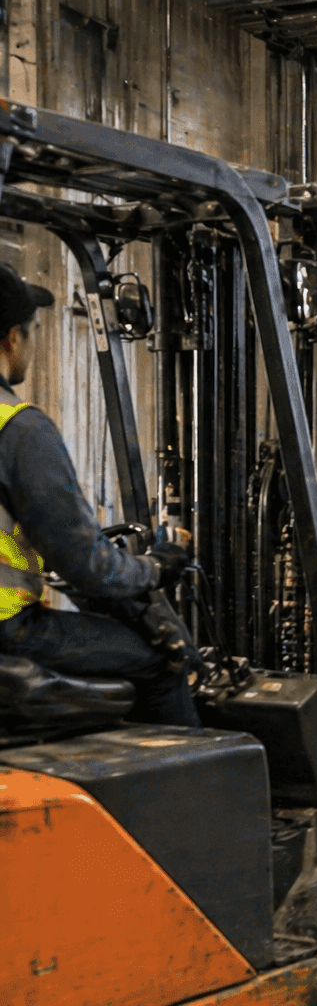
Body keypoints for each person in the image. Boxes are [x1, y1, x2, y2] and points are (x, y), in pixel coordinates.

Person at [0, 264, 196, 726]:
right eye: (32, 332)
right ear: (11, 339)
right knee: (160, 660)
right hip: (9, 631)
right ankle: (188, 797)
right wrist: (153, 567)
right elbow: (88, 567)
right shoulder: (19, 427)